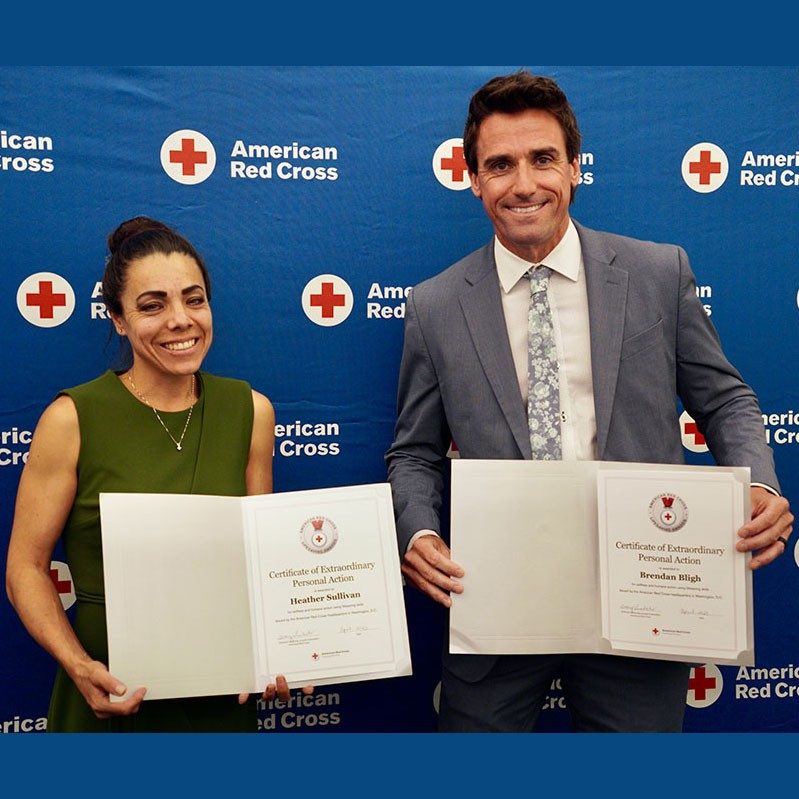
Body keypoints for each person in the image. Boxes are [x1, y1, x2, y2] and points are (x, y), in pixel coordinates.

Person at [385, 70, 793, 732]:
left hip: (640, 602)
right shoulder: (434, 306)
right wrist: (419, 530)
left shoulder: (657, 274)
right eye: (499, 165)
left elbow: (725, 401)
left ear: (575, 167)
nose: (523, 183)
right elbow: (413, 449)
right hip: (496, 609)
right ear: (473, 179)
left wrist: (762, 484)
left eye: (542, 158)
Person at [5, 216, 310, 731]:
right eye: (153, 305)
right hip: (109, 694)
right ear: (118, 319)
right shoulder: (72, 419)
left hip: (219, 701)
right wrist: (80, 667)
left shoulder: (251, 412)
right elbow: (25, 569)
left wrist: (282, 648)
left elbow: (263, 566)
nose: (180, 320)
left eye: (194, 299)